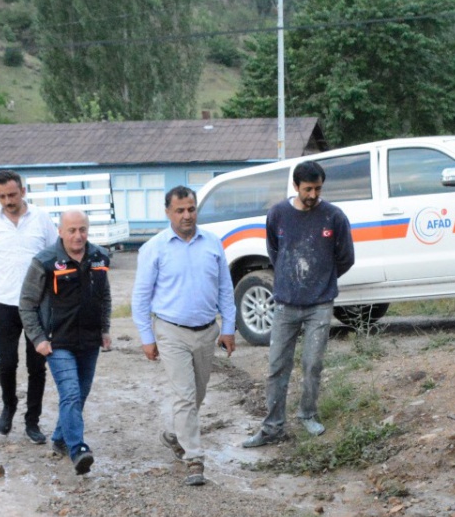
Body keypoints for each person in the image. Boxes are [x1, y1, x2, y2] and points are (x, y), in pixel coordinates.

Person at [242, 160, 355, 448]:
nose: (313, 194)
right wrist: (290, 279)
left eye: (318, 189)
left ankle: (308, 414)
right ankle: (272, 426)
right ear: (295, 186)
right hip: (285, 303)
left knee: (312, 363)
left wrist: (322, 280)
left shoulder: (334, 217)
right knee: (277, 365)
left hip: (320, 304)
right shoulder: (278, 214)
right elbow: (275, 251)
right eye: (308, 189)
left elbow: (346, 257)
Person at [132, 185, 237, 486]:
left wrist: (228, 328)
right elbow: (141, 297)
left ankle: (176, 436)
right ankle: (194, 458)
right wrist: (146, 337)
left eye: (191, 209)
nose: (187, 215)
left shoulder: (213, 243)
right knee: (185, 395)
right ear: (168, 213)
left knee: (197, 395)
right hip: (170, 332)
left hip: (206, 332)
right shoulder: (154, 248)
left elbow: (225, 290)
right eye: (180, 210)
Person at [19, 209, 112, 475]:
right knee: (70, 393)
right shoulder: (45, 261)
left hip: (90, 342)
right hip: (57, 342)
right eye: (71, 230)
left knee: (79, 396)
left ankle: (60, 438)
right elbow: (26, 303)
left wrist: (105, 330)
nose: (78, 235)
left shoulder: (99, 257)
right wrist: (38, 339)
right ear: (60, 231)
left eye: (82, 229)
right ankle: (78, 450)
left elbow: (104, 297)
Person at [0, 170, 58, 444]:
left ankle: (32, 421)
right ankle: (8, 406)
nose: (8, 201)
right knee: (7, 362)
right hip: (4, 304)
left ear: (23, 190)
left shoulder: (42, 219)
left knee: (37, 366)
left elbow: (56, 260)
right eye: (1, 197)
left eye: (11, 194)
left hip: (38, 305)